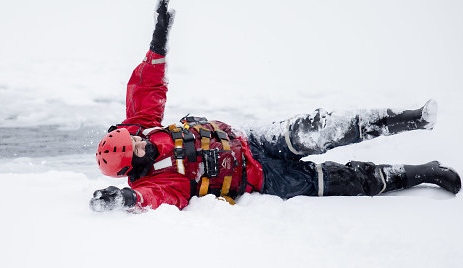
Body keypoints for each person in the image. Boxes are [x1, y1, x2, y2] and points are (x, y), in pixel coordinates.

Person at [89, 0, 461, 212]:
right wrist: (125, 199)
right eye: (136, 150)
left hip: (254, 140)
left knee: (322, 128)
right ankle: (422, 172)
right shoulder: (158, 180)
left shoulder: (140, 126)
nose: (141, 143)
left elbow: (147, 86)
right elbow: (154, 197)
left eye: (133, 139)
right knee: (347, 181)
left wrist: (160, 35)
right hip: (264, 179)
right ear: (132, 166)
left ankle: (409, 119)